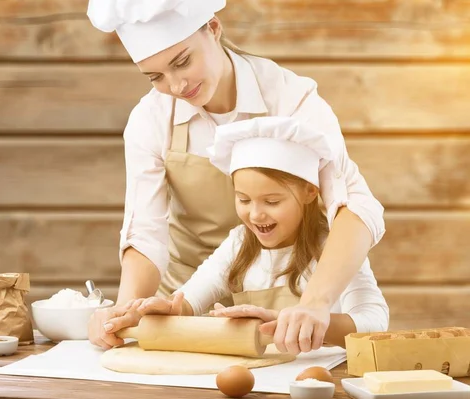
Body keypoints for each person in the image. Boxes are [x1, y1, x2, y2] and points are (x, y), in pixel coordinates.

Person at [86, 0, 386, 354]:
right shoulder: (150, 119)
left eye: (182, 62)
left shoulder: (290, 97)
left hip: (288, 310)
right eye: (155, 76)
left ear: (213, 29)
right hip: (186, 306)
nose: (177, 86)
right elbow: (146, 232)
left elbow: (351, 204)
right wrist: (125, 310)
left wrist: (315, 304)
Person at [131, 117, 389, 351]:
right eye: (243, 199)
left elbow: (375, 324)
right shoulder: (239, 243)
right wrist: (174, 307)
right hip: (261, 378)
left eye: (272, 201)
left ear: (309, 192)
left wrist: (306, 322)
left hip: (321, 374)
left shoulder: (336, 249)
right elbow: (192, 297)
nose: (255, 215)